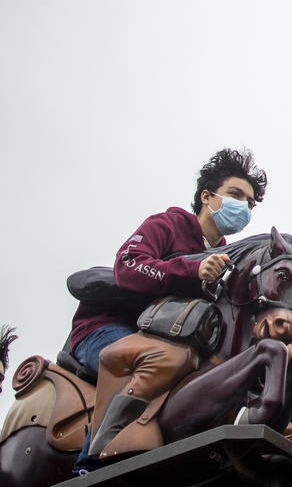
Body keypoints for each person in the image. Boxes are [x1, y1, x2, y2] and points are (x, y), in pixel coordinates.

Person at [69, 147, 267, 472]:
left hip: (170, 340)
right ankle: (90, 464)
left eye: (249, 202)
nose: (243, 207)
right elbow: (127, 265)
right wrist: (192, 270)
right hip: (108, 328)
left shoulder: (230, 258)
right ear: (207, 196)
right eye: (235, 194)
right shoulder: (167, 224)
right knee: (149, 361)